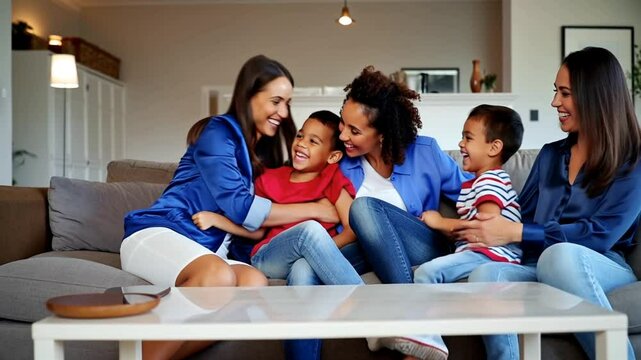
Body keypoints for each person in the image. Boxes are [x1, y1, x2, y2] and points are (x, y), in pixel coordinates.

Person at [120, 55, 336, 360]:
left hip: (211, 253)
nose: (283, 112)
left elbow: (258, 224)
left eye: (287, 103)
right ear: (249, 95)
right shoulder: (217, 132)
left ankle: (149, 353)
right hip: (160, 233)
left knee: (253, 283)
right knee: (218, 275)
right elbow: (242, 208)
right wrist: (315, 209)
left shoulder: (260, 156)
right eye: (276, 101)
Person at [456, 47, 641, 360]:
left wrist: (517, 233)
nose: (555, 102)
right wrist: (482, 227)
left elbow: (602, 234)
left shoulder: (632, 160)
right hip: (538, 264)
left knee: (560, 257)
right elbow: (519, 216)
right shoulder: (551, 155)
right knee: (485, 276)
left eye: (565, 93)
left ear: (594, 97)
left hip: (602, 262)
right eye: (556, 92)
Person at [390, 104, 523, 360]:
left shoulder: (491, 180)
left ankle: (427, 342)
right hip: (482, 255)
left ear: (494, 147)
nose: (461, 144)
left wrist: (440, 222)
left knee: (428, 272)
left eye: (468, 138)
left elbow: (486, 227)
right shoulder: (478, 181)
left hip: (491, 255)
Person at [191, 110, 363, 286]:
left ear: (333, 156)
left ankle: (300, 314)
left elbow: (352, 229)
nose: (301, 143)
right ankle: (362, 301)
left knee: (302, 270)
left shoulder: (332, 177)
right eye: (300, 135)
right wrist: (217, 220)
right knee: (310, 230)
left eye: (313, 141)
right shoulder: (268, 179)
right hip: (269, 256)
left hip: (306, 257)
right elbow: (256, 228)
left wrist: (318, 250)